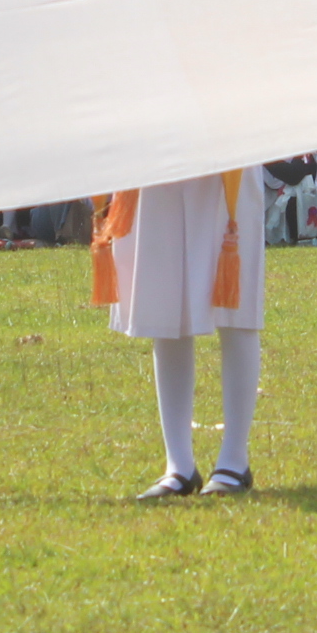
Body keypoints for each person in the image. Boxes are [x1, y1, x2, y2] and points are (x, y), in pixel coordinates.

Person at [94, 169, 272, 500]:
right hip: (158, 160)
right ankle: (178, 465)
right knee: (164, 308)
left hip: (225, 158)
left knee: (236, 310)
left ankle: (234, 459)